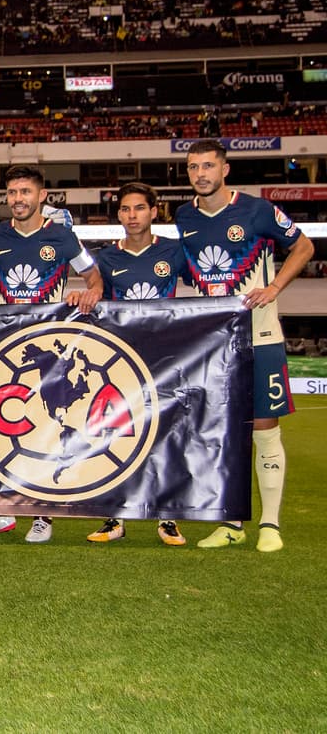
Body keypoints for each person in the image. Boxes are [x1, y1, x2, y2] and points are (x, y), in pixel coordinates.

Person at [177, 140, 314, 552]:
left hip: (261, 337)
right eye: (193, 167)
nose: (200, 174)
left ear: (225, 170)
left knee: (264, 429)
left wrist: (274, 287)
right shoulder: (184, 216)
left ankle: (270, 525)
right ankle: (232, 522)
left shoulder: (257, 210)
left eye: (207, 166)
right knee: (225, 434)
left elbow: (304, 246)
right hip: (216, 344)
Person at [0, 165, 102, 544]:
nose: (18, 199)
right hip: (8, 346)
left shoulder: (61, 235)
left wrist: (89, 293)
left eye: (25, 192)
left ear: (41, 196)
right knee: (1, 424)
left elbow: (93, 277)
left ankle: (42, 514)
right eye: (13, 192)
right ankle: (2, 511)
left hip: (50, 348)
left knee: (44, 428)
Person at [85, 182, 188, 546]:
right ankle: (115, 517)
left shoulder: (174, 251)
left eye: (139, 208)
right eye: (126, 209)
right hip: (122, 363)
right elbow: (96, 292)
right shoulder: (106, 258)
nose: (132, 216)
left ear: (154, 212)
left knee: (165, 437)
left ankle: (167, 517)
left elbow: (208, 287)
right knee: (117, 436)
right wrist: (88, 293)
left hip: (164, 359)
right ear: (119, 214)